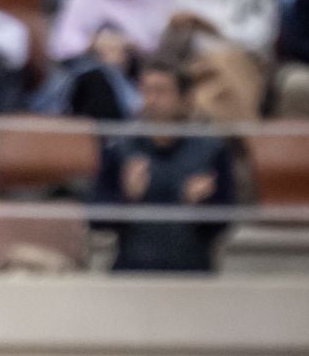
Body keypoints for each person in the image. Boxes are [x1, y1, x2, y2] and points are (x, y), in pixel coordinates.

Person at [91, 60, 235, 273]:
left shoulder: (212, 150)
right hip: (132, 273)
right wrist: (127, 197)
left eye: (161, 91)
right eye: (145, 91)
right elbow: (96, 219)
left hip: (192, 274)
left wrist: (202, 206)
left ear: (187, 100)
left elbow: (226, 220)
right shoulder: (119, 147)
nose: (151, 100)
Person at [160, 0, 279, 118]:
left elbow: (259, 38)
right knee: (210, 89)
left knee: (210, 92)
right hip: (198, 66)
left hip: (251, 62)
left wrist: (213, 30)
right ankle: (251, 132)